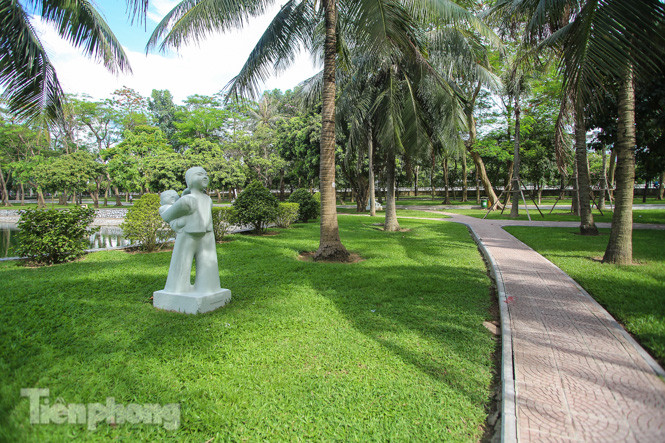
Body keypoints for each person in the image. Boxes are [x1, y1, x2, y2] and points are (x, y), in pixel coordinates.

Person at [158, 167, 221, 295]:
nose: (205, 177)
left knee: (190, 264)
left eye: (205, 174)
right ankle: (182, 289)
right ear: (190, 180)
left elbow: (167, 215)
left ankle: (202, 288)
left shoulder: (198, 199)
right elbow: (168, 215)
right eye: (199, 174)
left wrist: (174, 220)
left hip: (202, 236)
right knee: (184, 264)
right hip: (191, 235)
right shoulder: (192, 200)